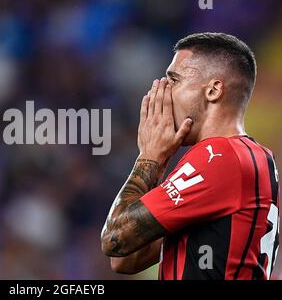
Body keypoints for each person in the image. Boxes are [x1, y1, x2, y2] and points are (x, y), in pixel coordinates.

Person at [101, 32, 280, 280]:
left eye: (173, 80)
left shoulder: (220, 157)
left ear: (214, 90)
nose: (163, 91)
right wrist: (159, 161)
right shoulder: (248, 158)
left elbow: (114, 238)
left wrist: (148, 158)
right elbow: (125, 258)